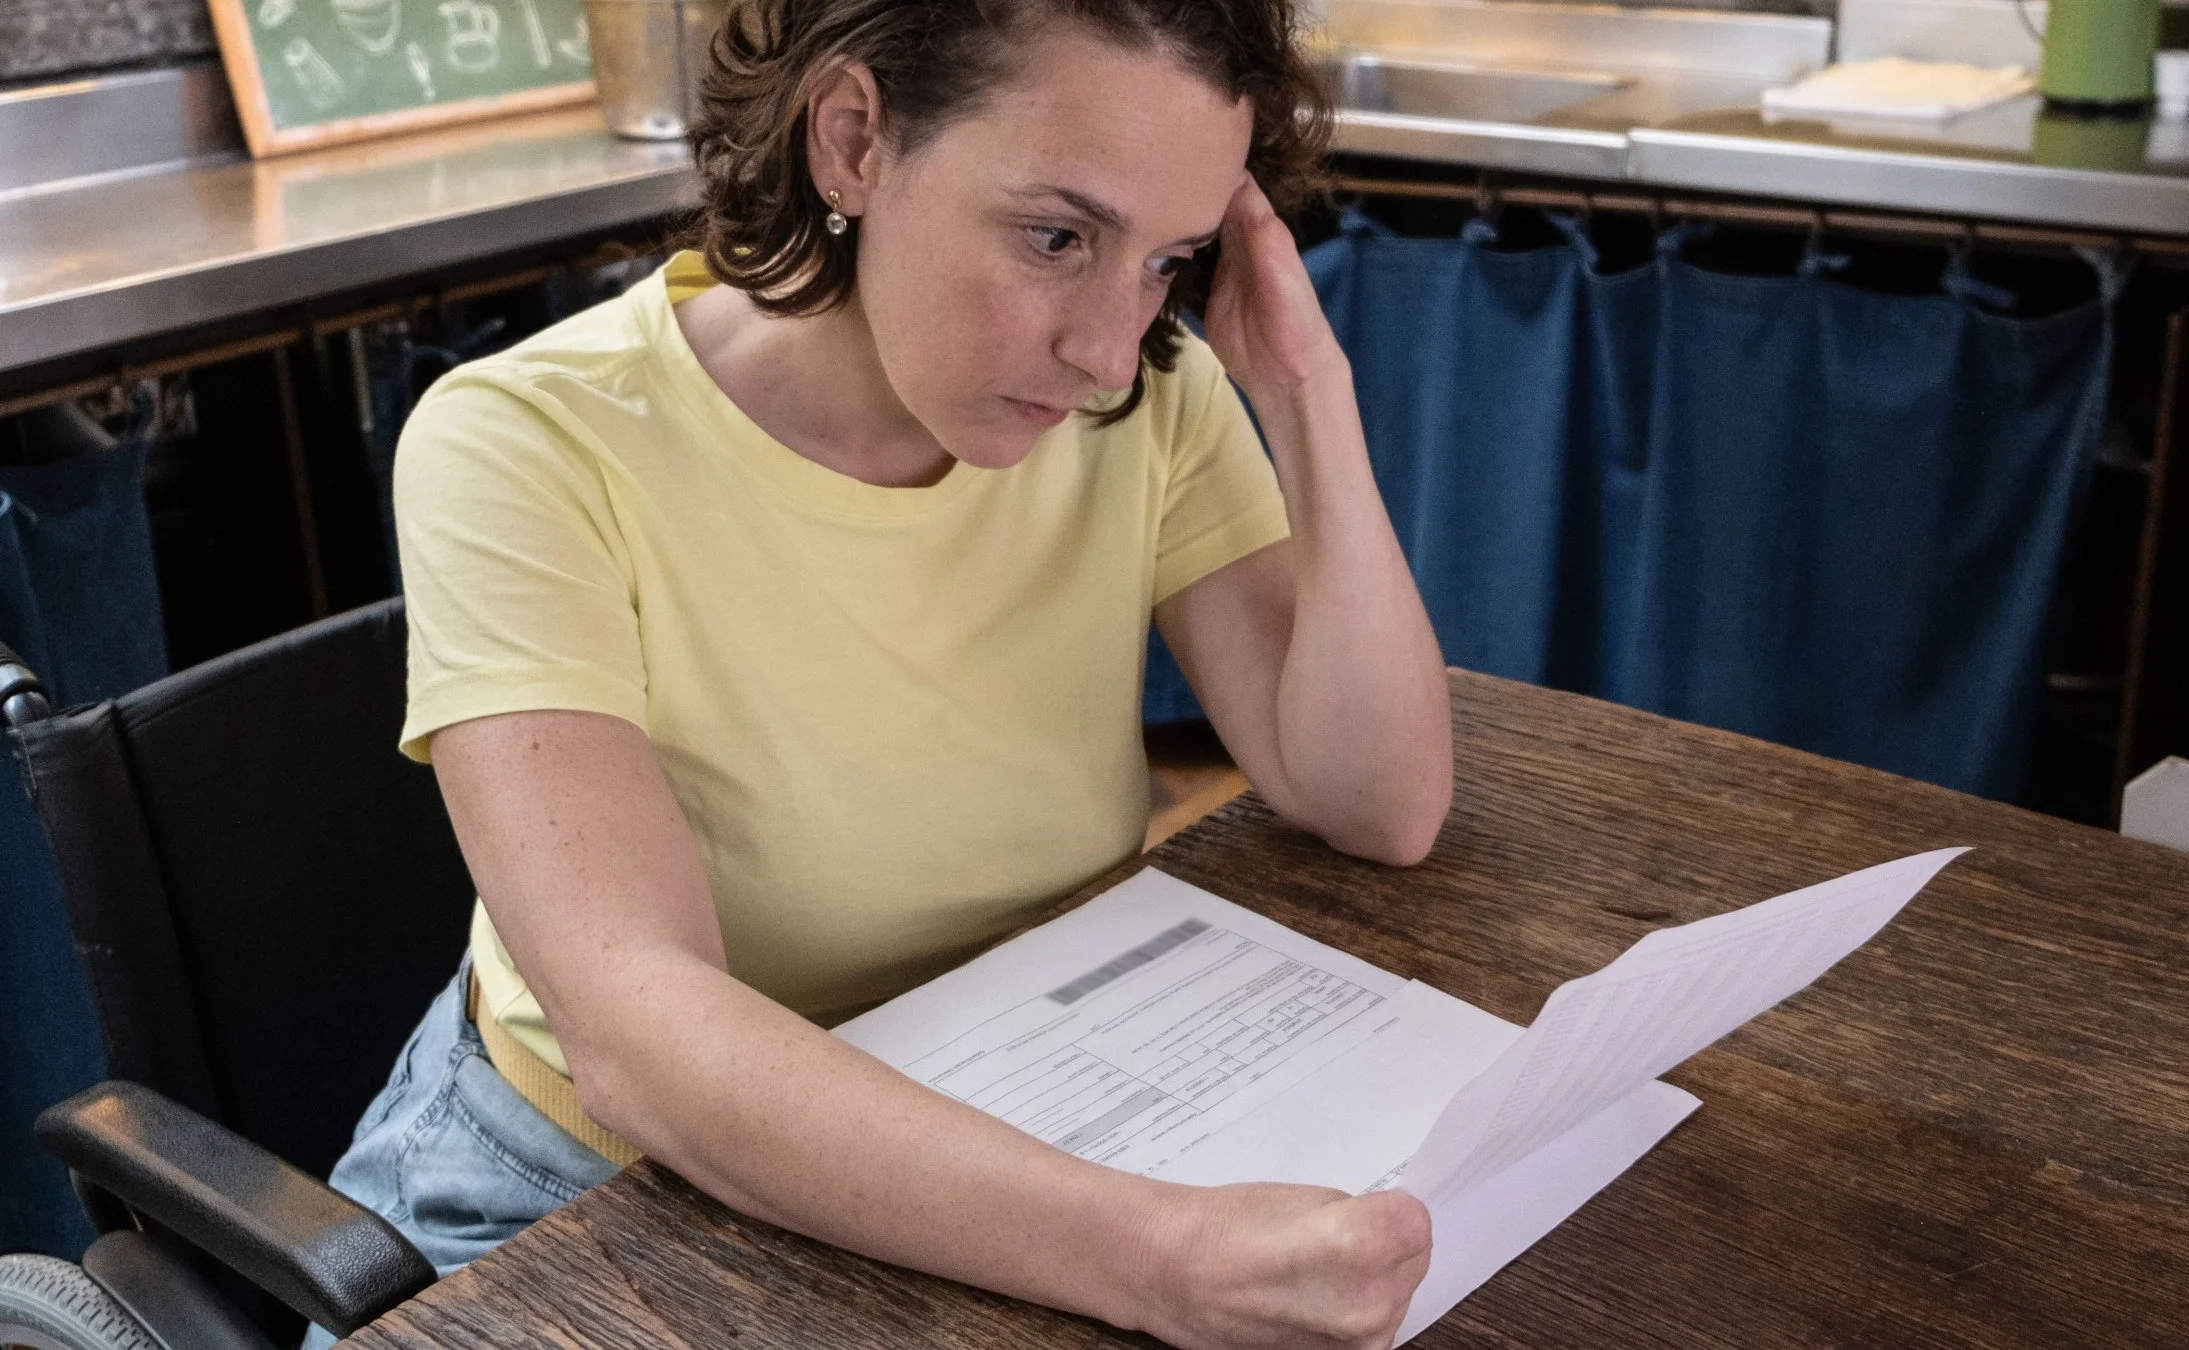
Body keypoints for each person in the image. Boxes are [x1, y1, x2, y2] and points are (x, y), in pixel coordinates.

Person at [318, 0, 1452, 1344]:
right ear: (853, 140)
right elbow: (638, 1039)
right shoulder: (525, 447)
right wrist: (1159, 1252)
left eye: (1171, 259)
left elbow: (1380, 802)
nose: (1103, 347)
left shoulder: (1144, 394)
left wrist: (1308, 391)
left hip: (1001, 1119)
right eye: (1056, 237)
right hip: (581, 1199)